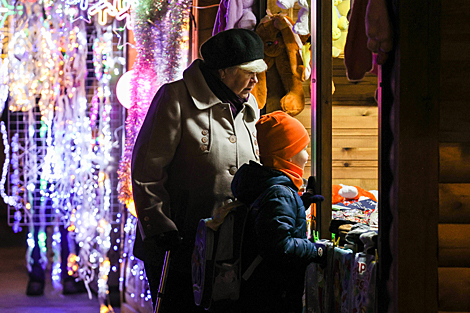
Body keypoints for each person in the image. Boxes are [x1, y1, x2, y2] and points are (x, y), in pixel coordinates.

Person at [131, 28, 268, 312]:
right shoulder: (175, 98)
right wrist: (159, 226)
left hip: (228, 247)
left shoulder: (248, 103)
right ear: (223, 71)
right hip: (177, 244)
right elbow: (147, 170)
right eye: (248, 72)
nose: (256, 80)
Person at [231, 111, 326, 313]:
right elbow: (279, 246)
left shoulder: (269, 186)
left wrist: (299, 203)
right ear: (289, 154)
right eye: (304, 148)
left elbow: (269, 222)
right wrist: (316, 250)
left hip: (262, 288)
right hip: (273, 293)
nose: (307, 156)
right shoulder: (279, 193)